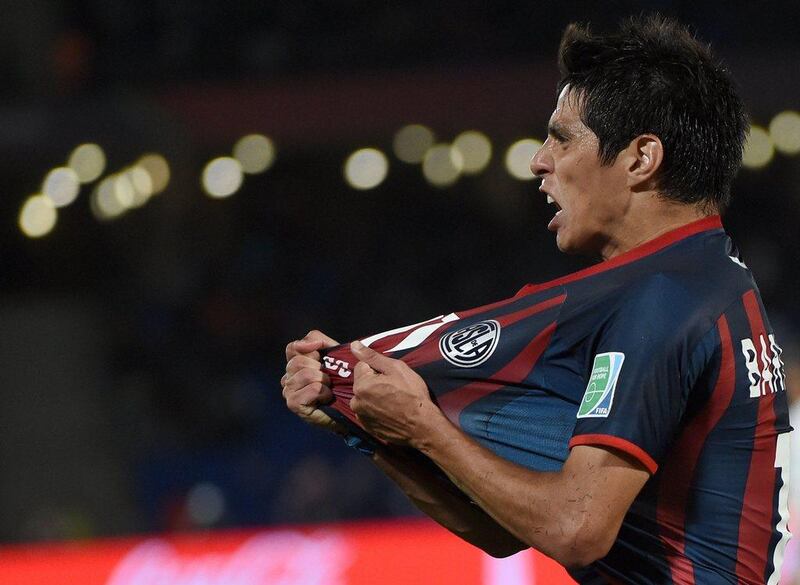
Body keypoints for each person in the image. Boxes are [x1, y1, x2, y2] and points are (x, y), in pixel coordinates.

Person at [281, 15, 791, 584]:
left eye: (563, 137)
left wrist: (425, 425)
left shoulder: (664, 297)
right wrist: (364, 421)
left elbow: (575, 529)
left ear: (641, 159)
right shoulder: (703, 277)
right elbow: (505, 532)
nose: (538, 161)